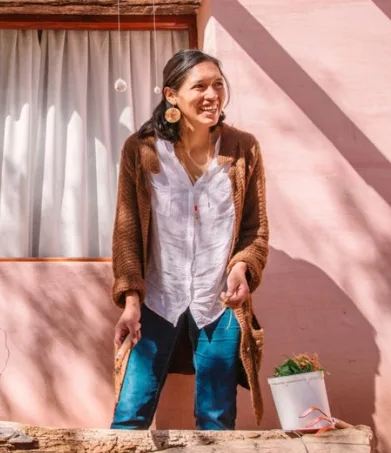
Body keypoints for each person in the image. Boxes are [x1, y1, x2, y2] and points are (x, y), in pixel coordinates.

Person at [110, 49, 269, 430]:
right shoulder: (142, 150)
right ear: (171, 95)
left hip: (219, 304)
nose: (213, 95)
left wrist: (241, 268)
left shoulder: (243, 149)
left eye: (218, 85)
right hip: (157, 300)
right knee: (129, 416)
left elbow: (256, 228)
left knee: (217, 420)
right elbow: (127, 232)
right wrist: (130, 302)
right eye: (200, 86)